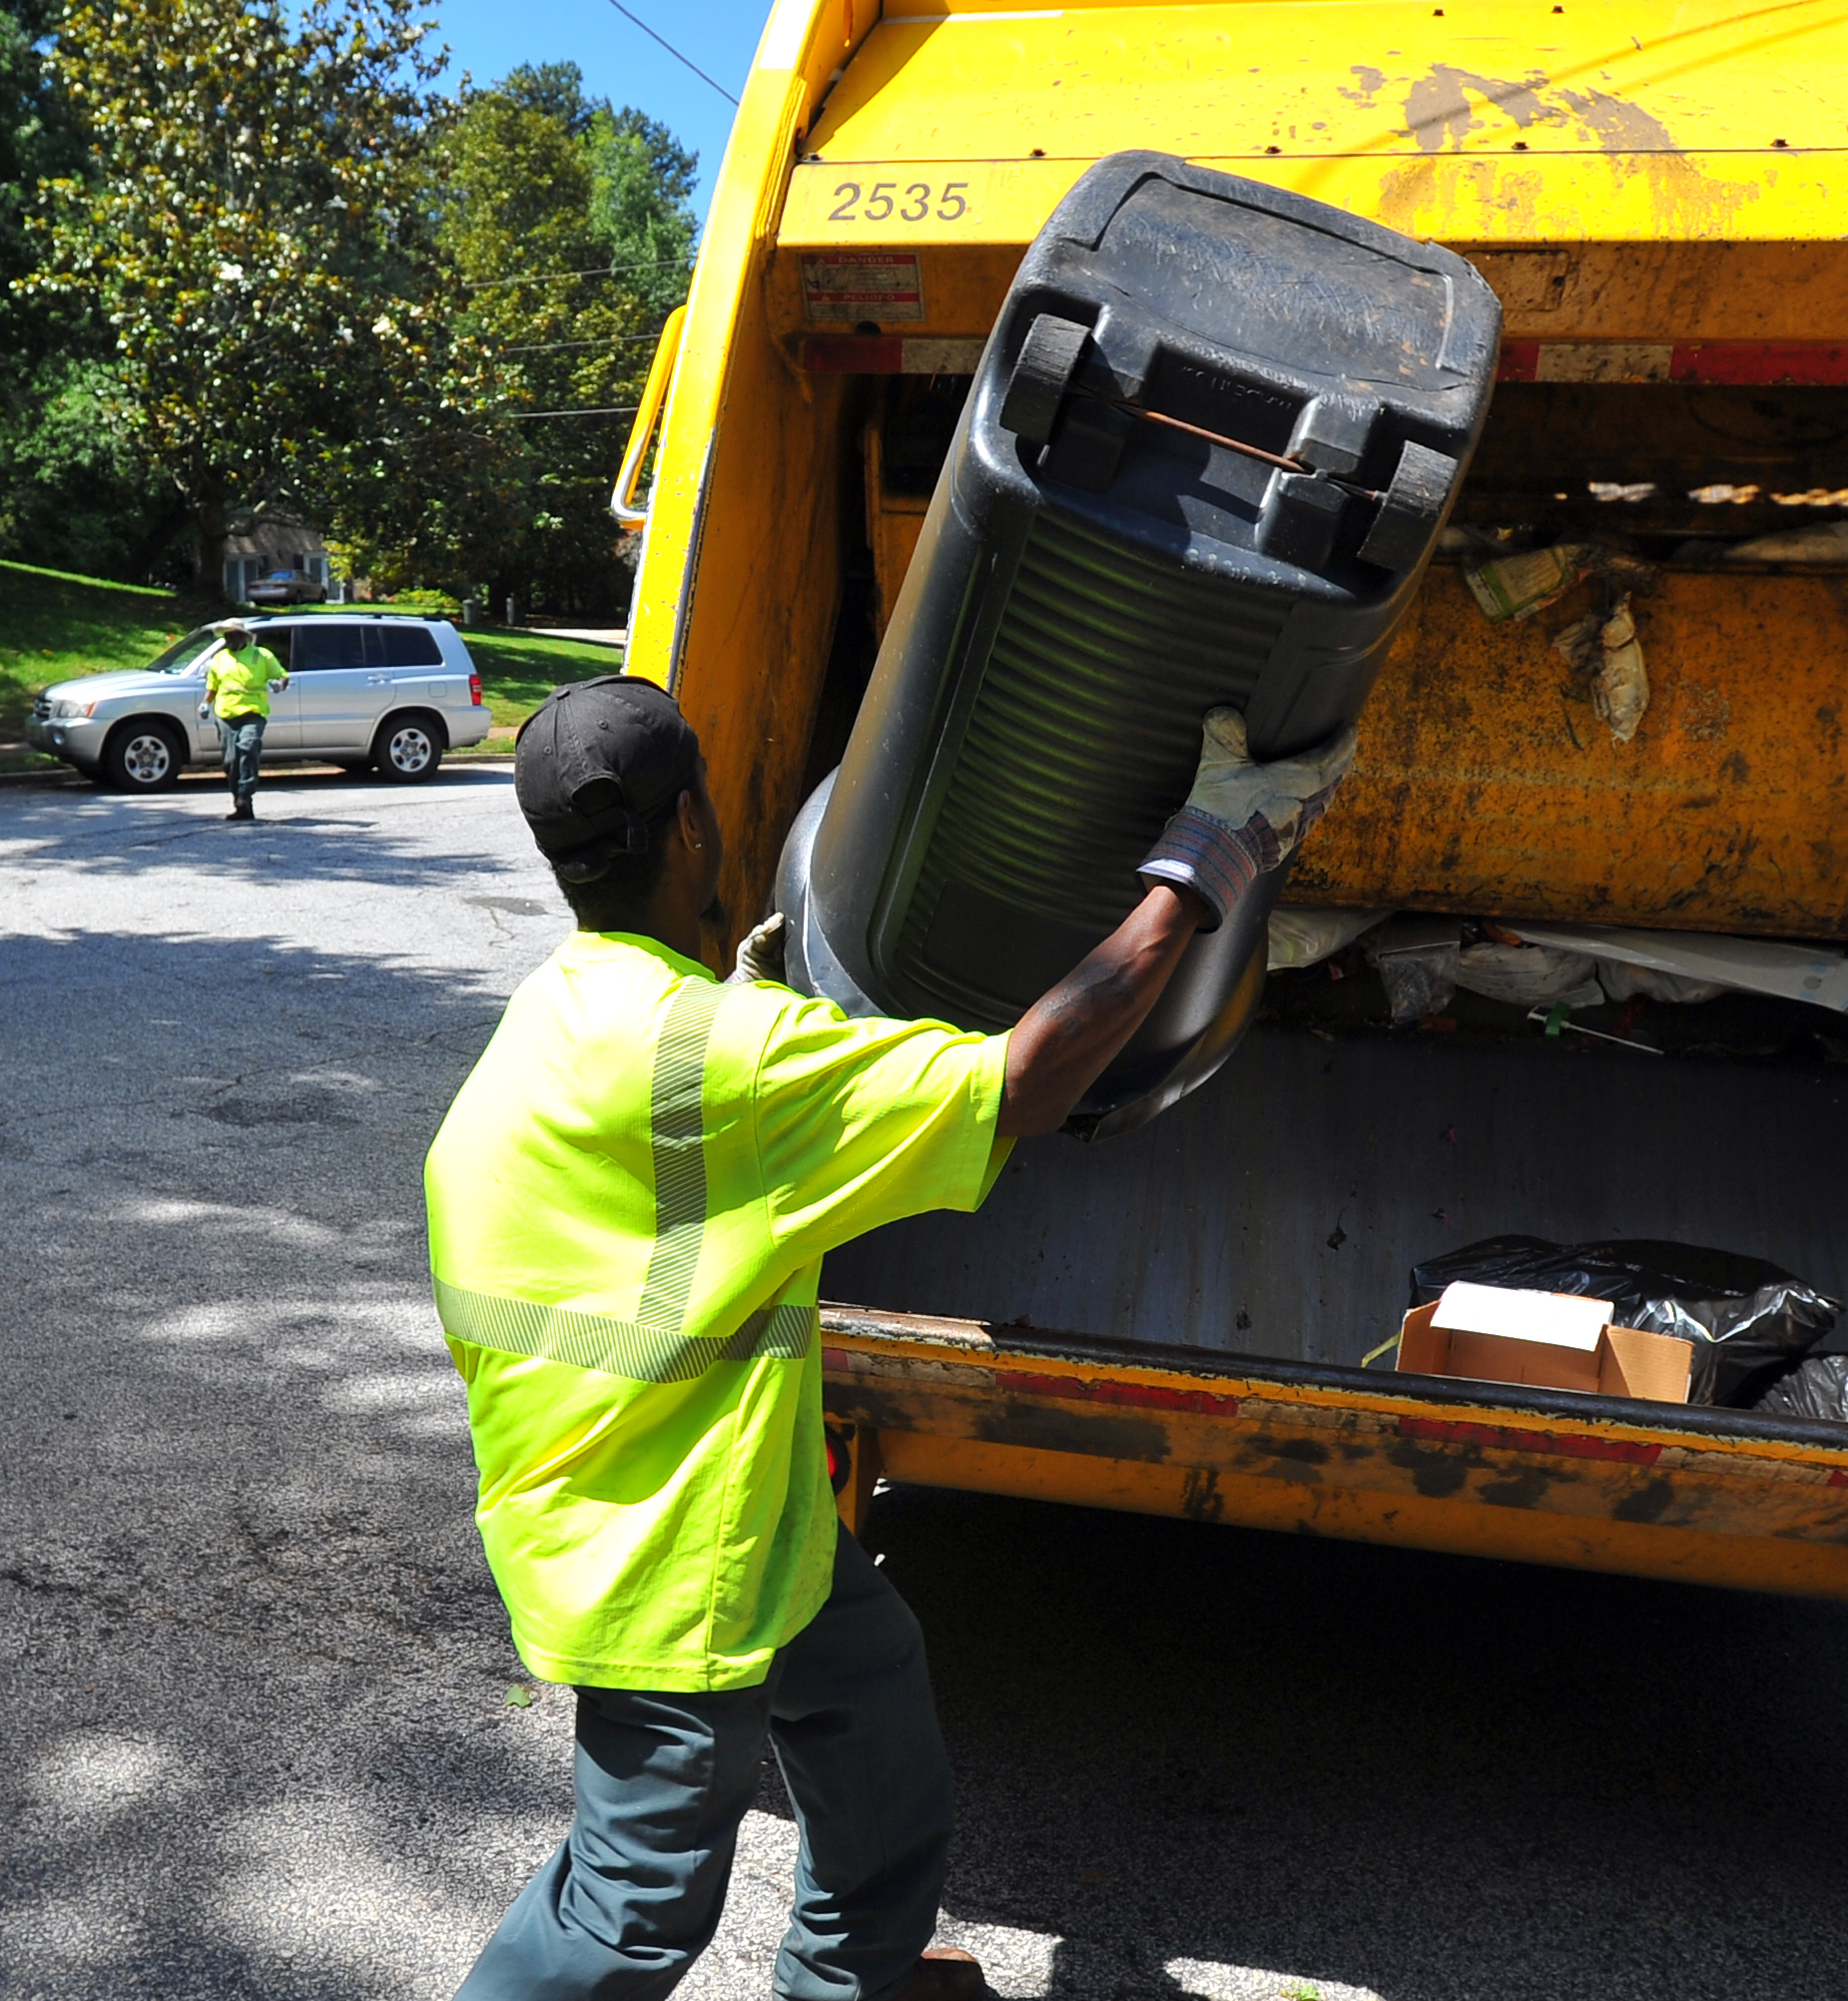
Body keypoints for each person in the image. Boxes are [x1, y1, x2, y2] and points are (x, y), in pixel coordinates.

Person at [426, 676, 1354, 2001]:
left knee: (872, 1710)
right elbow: (1023, 1082)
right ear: (693, 826)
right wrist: (1211, 859)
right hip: (671, 1570)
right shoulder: (727, 1059)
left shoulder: (561, 1015)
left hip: (687, 1514)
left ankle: (851, 1983)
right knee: (627, 1910)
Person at [202, 619, 287, 821]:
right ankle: (242, 806)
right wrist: (205, 703)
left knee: (248, 748)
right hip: (225, 715)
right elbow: (212, 685)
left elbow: (282, 675)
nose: (229, 639)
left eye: (233, 635)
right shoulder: (220, 659)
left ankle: (245, 793)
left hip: (252, 713)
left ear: (243, 637)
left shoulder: (261, 656)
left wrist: (278, 684)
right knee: (230, 762)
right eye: (227, 636)